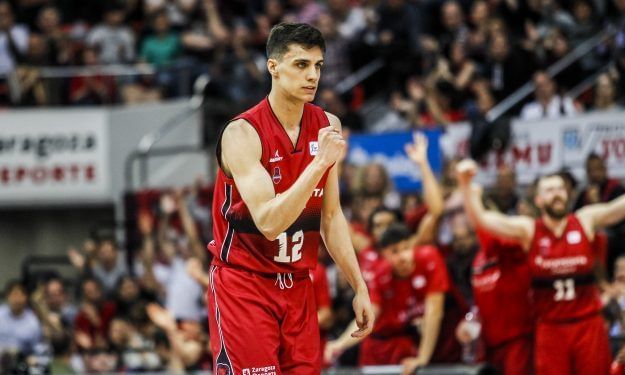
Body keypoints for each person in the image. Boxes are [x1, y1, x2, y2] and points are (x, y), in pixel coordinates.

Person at [206, 22, 374, 374]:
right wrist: (318, 165)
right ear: (274, 67)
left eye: (318, 66)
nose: (313, 75)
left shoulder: (327, 124)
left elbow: (330, 217)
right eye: (301, 65)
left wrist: (359, 285)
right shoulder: (242, 134)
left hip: (298, 287)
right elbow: (268, 223)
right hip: (245, 286)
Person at [456, 158, 625, 374]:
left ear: (568, 194)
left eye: (560, 189)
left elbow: (618, 208)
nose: (556, 193)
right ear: (538, 199)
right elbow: (482, 220)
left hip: (588, 324)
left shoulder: (585, 220)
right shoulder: (529, 230)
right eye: (549, 190)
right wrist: (465, 184)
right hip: (550, 328)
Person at [324, 223, 450, 375]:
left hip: (408, 343)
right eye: (395, 251)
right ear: (384, 254)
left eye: (406, 248)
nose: (404, 256)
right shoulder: (380, 274)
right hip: (377, 346)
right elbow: (370, 316)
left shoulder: (429, 257)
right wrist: (341, 343)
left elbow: (434, 313)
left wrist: (422, 358)